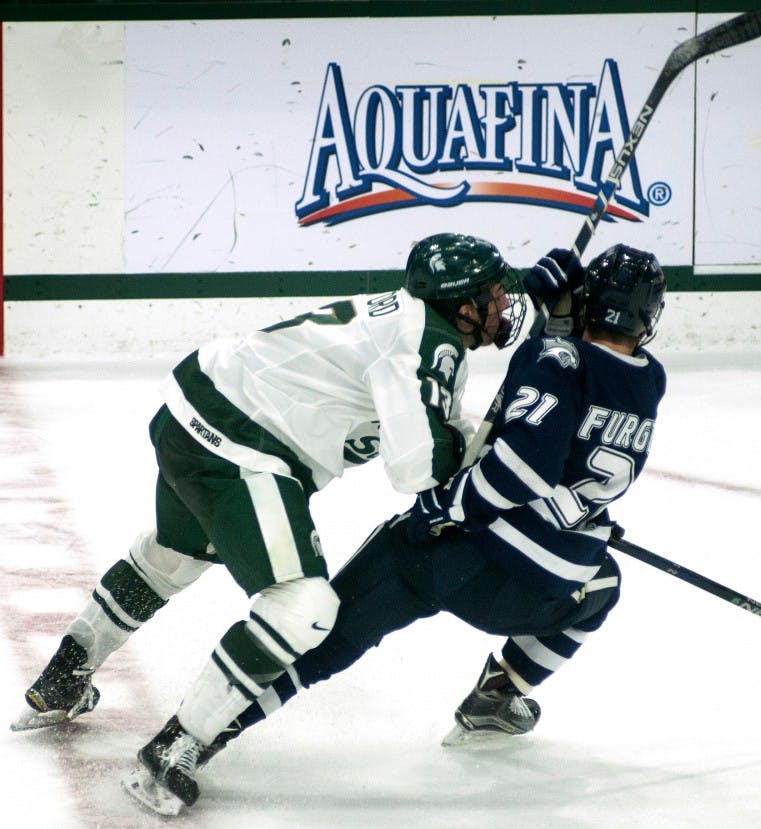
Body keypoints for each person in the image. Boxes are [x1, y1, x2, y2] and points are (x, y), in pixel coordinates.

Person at [11, 232, 551, 813]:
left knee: (174, 555)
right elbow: (418, 468)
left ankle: (62, 678)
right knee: (304, 607)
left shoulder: (415, 325)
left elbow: (421, 431)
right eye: (493, 292)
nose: (503, 303)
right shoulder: (427, 342)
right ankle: (175, 748)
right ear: (462, 304)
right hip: (237, 445)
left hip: (191, 408)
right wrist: (487, 454)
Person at [165, 243, 668, 814]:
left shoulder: (558, 360)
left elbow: (522, 464)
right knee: (603, 586)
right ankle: (497, 698)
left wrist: (448, 504)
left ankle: (193, 741)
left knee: (325, 643)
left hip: (441, 551)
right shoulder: (649, 382)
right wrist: (583, 516)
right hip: (526, 591)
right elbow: (573, 412)